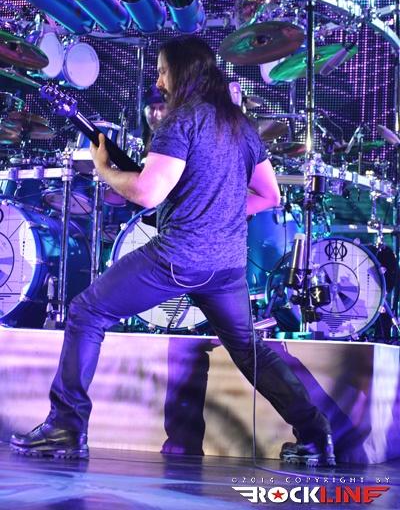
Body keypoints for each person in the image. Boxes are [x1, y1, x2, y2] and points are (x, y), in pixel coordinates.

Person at [9, 35, 335, 466]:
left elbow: (147, 193)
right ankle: (316, 436)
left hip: (178, 258)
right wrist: (218, 213)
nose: (159, 81)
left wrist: (104, 169)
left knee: (87, 312)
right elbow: (269, 195)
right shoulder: (239, 125)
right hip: (226, 267)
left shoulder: (182, 121)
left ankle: (66, 427)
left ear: (182, 72)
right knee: (248, 350)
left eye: (163, 71)